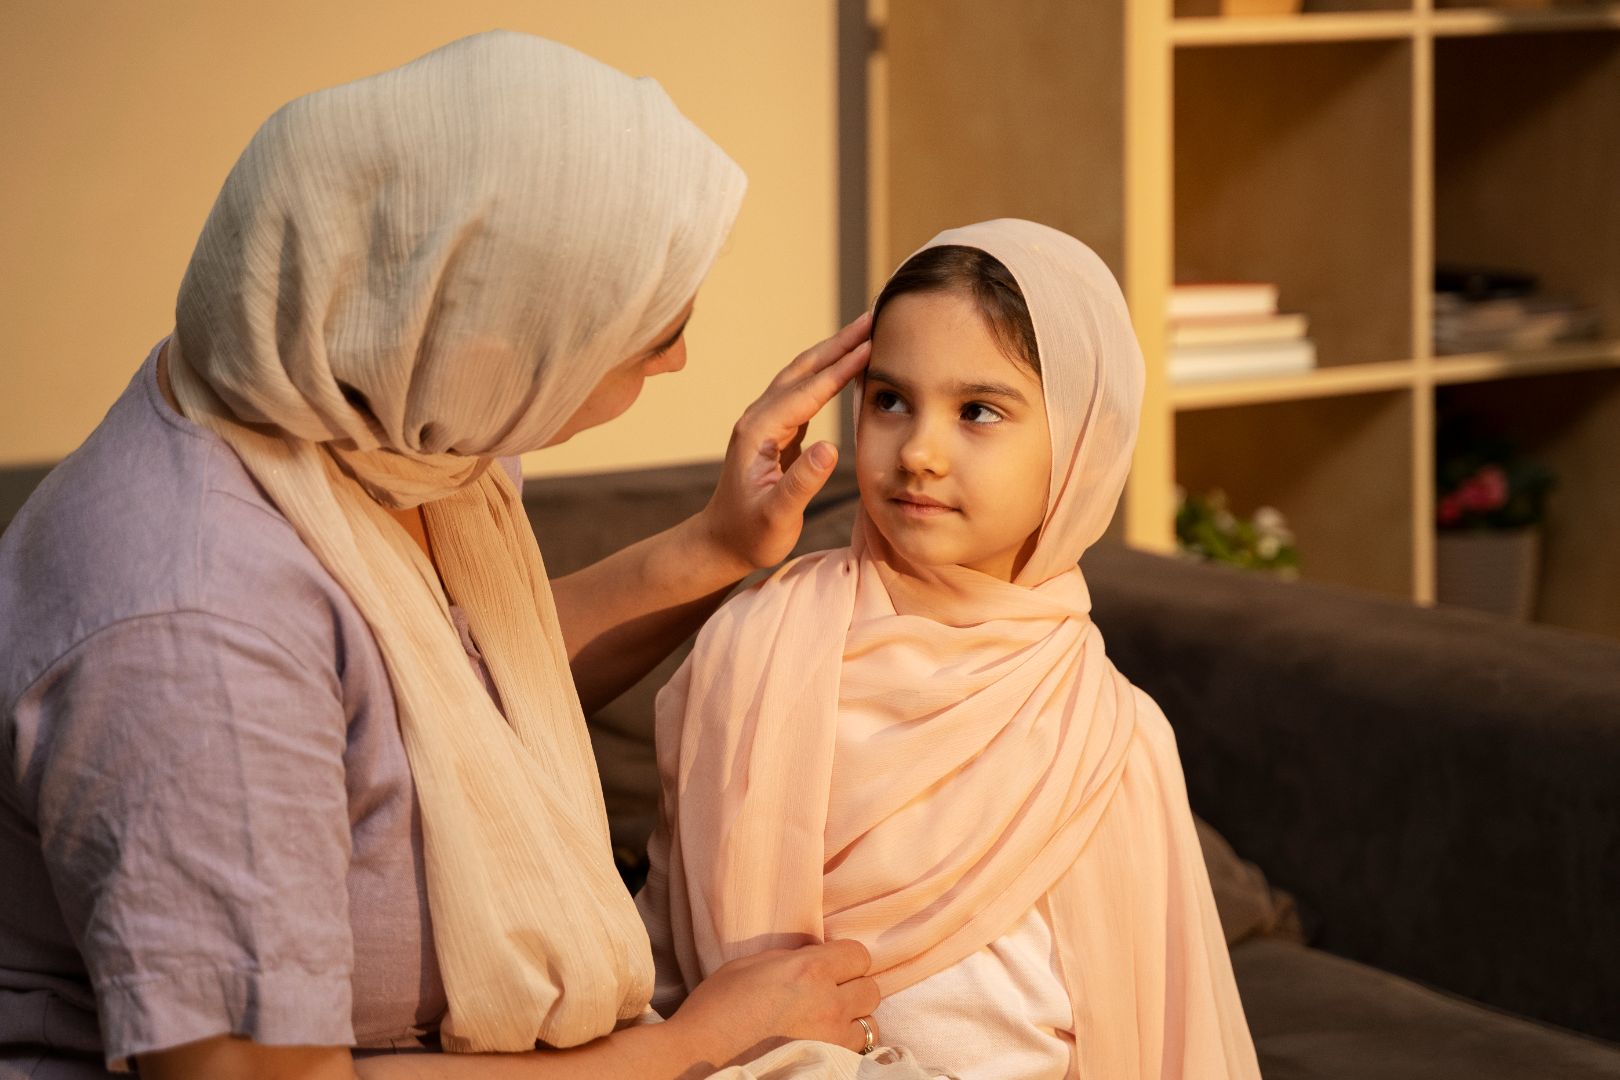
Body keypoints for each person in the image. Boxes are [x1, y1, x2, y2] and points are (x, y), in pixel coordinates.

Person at [0, 31, 925, 1080]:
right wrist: (699, 1042)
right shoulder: (196, 635)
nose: (679, 360)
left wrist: (719, 546)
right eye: (643, 339)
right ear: (492, 345)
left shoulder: (361, 399)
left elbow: (449, 690)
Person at [640, 219, 1264, 1079]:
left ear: (1081, 442)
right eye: (890, 400)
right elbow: (661, 967)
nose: (920, 453)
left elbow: (1155, 1038)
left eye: (978, 412)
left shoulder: (1115, 739)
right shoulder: (750, 645)